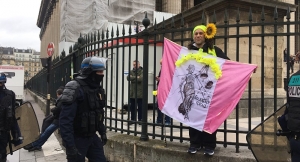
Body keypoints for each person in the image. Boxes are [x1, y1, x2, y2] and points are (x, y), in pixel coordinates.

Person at [186, 24, 230, 155]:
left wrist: (247, 69)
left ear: (205, 35)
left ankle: (209, 145)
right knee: (193, 116)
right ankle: (194, 143)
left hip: (210, 91)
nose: (198, 35)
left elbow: (229, 64)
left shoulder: (215, 50)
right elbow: (177, 64)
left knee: (210, 118)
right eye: (196, 33)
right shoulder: (188, 51)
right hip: (194, 90)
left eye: (201, 33)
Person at [59, 57, 107, 162]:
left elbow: (97, 113)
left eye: (102, 72)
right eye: (98, 72)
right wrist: (70, 146)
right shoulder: (75, 87)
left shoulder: (97, 89)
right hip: (77, 138)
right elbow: (65, 120)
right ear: (89, 72)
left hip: (92, 137)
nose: (101, 74)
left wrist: (102, 132)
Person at [23, 86, 64, 152]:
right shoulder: (62, 99)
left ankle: (35, 144)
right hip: (58, 118)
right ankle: (37, 144)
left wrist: (53, 110)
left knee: (47, 132)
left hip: (59, 119)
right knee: (46, 130)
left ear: (58, 94)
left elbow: (58, 109)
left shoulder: (62, 99)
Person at [0, 72, 23, 161]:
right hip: (4, 130)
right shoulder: (10, 94)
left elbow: (11, 115)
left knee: (2, 152)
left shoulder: (9, 95)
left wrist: (15, 133)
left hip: (3, 130)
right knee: (2, 152)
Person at [127, 60, 143, 125]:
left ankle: (140, 120)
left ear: (139, 65)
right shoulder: (131, 71)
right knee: (132, 107)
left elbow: (140, 79)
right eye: (133, 64)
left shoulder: (142, 71)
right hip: (132, 92)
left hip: (140, 92)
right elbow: (128, 78)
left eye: (135, 64)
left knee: (140, 107)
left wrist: (132, 78)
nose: (134, 66)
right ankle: (133, 119)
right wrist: (136, 77)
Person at [156, 59, 171, 125]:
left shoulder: (167, 69)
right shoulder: (162, 69)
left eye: (162, 64)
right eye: (160, 64)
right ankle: (159, 120)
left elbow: (168, 78)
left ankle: (167, 121)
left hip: (166, 90)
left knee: (167, 105)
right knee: (159, 104)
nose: (161, 65)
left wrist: (160, 79)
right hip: (160, 89)